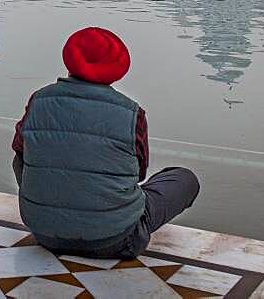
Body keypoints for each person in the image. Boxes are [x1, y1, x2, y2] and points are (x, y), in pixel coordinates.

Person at [12, 27, 199, 259]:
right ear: (118, 67)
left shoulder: (39, 100)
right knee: (183, 178)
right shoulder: (131, 113)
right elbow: (138, 174)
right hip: (118, 240)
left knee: (27, 155)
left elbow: (19, 157)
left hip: (45, 234)